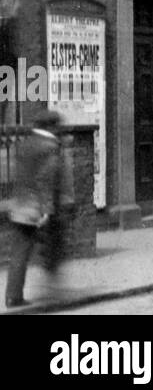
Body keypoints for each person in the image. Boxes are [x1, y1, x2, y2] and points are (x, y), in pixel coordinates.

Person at [4, 110, 72, 309]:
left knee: (19, 253)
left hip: (19, 206)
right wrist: (46, 211)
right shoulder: (50, 147)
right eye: (57, 126)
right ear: (51, 127)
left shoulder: (24, 144)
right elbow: (47, 181)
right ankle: (51, 292)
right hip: (36, 209)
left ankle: (12, 296)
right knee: (50, 246)